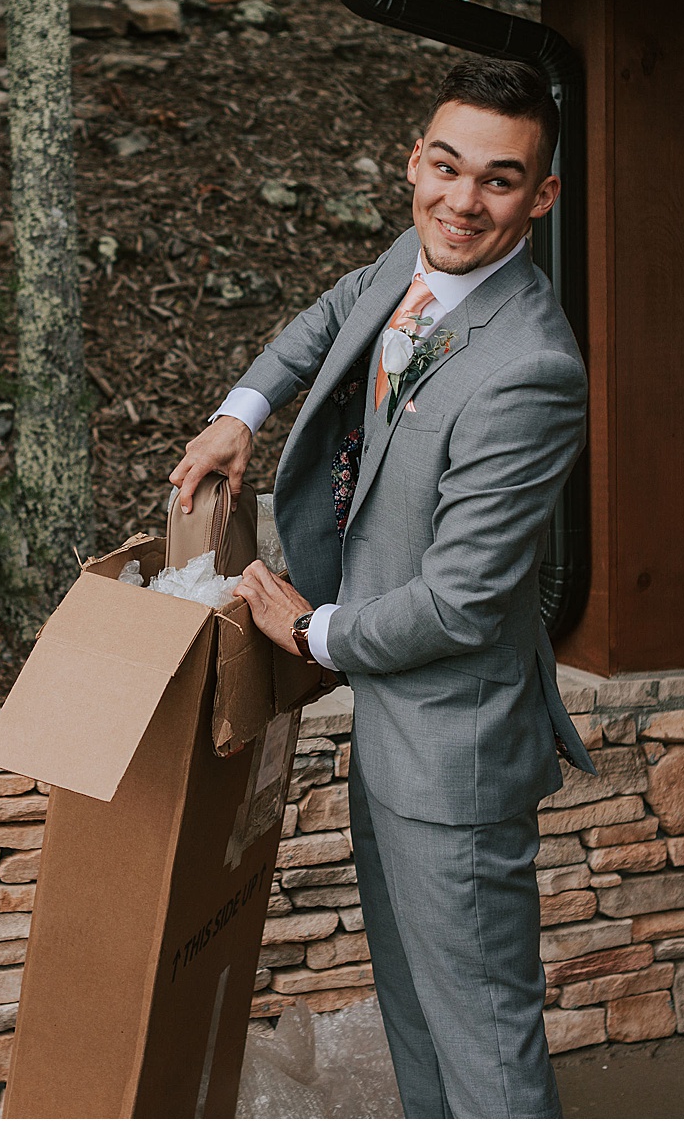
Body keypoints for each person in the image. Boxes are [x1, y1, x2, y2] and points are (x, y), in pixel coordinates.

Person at [169, 57, 594, 1119]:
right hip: (393, 726)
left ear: (539, 198)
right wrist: (242, 411)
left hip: (454, 747)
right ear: (414, 162)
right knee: (410, 1006)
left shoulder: (528, 371)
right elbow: (329, 317)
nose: (460, 200)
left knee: (483, 1033)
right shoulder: (414, 255)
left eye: (497, 181)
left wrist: (312, 630)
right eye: (444, 168)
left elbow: (461, 600)